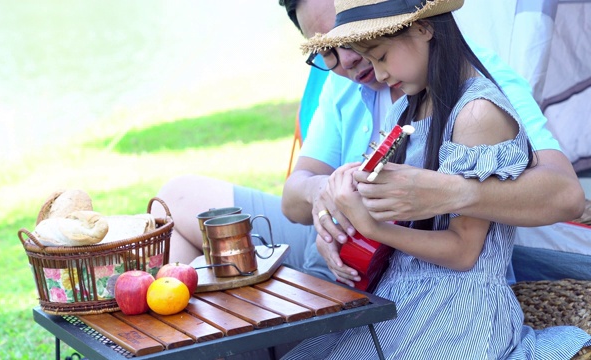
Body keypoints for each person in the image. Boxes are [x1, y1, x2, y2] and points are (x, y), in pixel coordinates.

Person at [151, 0, 585, 287]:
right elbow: (294, 197)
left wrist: (454, 192)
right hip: (341, 246)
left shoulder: (478, 90)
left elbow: (565, 196)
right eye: (331, 49)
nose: (350, 61)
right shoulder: (344, 85)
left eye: (360, 43)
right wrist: (328, 197)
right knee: (176, 200)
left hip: (415, 274)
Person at [279, 0, 591, 358]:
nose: (378, 75)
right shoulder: (406, 106)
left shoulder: (476, 113)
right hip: (403, 297)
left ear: (424, 28)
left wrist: (378, 228)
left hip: (455, 314)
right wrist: (342, 221)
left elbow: (463, 252)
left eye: (379, 55)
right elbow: (390, 214)